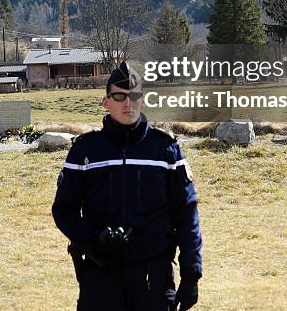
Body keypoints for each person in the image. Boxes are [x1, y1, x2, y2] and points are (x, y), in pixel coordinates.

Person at [53, 61, 202, 311]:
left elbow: (187, 214)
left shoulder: (164, 148)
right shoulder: (85, 150)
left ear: (143, 100)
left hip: (152, 275)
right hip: (100, 273)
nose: (127, 103)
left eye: (134, 96)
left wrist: (191, 274)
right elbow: (64, 210)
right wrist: (94, 240)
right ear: (106, 101)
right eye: (119, 96)